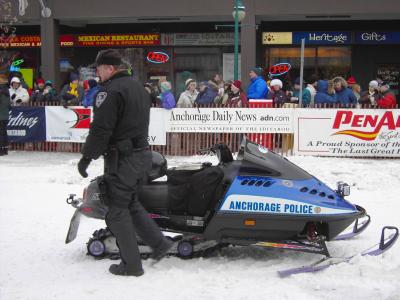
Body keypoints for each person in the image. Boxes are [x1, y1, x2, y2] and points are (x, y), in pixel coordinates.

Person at [77, 49, 172, 276]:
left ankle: (131, 265)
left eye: (99, 69)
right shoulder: (137, 87)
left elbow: (101, 129)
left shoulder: (109, 92)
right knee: (130, 203)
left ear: (110, 68)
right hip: (141, 156)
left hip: (123, 160)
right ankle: (159, 243)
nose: (97, 74)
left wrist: (87, 157)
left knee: (116, 212)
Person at [0, 74, 10, 156]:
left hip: (1, 115)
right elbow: (9, 106)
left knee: (1, 133)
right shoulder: (7, 91)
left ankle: (1, 150)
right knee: (4, 132)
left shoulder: (1, 91)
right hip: (5, 115)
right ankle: (5, 149)